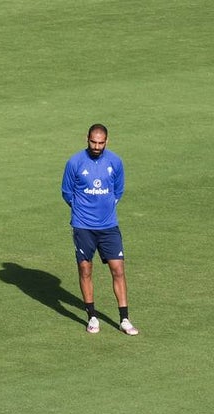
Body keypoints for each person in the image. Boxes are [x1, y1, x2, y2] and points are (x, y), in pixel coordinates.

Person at [61, 125, 138, 336]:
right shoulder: (75, 162)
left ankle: (124, 319)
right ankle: (92, 316)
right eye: (93, 142)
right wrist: (82, 212)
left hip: (108, 226)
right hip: (83, 226)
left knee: (118, 270)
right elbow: (67, 192)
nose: (97, 146)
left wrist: (105, 210)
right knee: (85, 270)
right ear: (87, 139)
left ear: (107, 141)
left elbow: (118, 190)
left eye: (101, 142)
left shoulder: (115, 162)